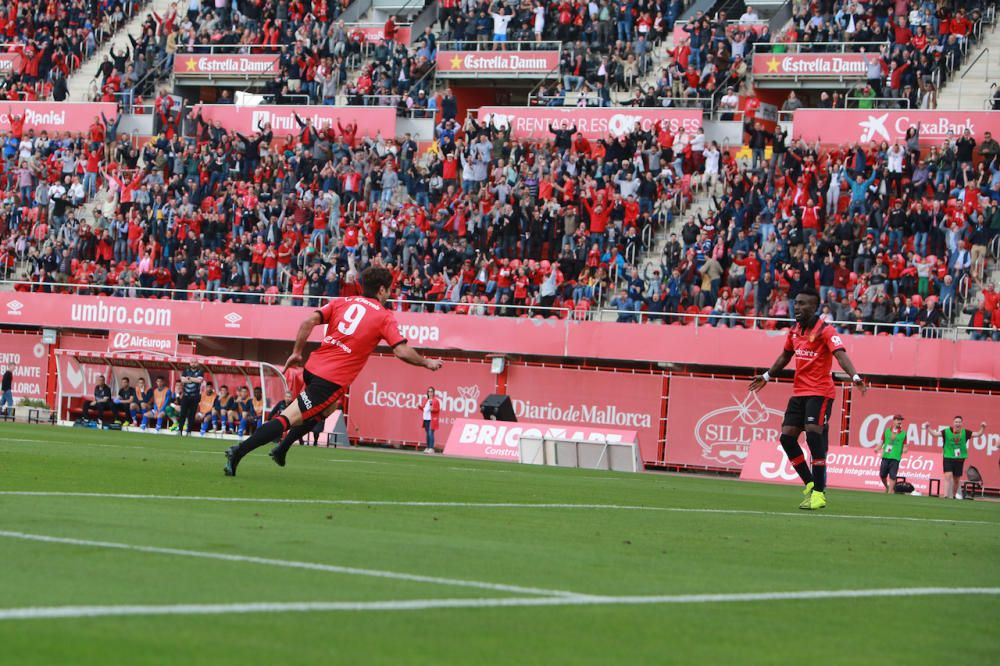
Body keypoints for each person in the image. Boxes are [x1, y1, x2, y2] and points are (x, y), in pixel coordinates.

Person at [224, 266, 443, 476]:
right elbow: (402, 351)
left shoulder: (343, 302)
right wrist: (426, 363)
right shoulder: (384, 316)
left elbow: (308, 320)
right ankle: (239, 452)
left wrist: (297, 352)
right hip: (328, 379)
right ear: (382, 289)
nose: (390, 294)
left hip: (314, 366)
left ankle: (282, 449)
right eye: (390, 289)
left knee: (325, 411)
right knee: (287, 418)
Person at [749, 286, 867, 510]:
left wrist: (855, 376)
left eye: (803, 304)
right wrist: (767, 375)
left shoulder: (826, 330)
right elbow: (785, 355)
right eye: (796, 303)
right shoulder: (794, 331)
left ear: (815, 307)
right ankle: (811, 483)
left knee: (814, 438)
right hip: (799, 392)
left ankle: (819, 494)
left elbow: (840, 354)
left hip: (820, 392)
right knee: (786, 438)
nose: (798, 307)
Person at [921, 417, 988, 499]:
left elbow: (978, 434)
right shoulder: (946, 431)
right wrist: (928, 428)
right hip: (948, 456)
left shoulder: (965, 432)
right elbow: (934, 435)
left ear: (961, 424)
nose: (958, 424)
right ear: (953, 423)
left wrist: (983, 427)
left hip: (959, 458)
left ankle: (953, 495)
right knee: (948, 476)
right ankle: (945, 496)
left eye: (959, 422)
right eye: (956, 422)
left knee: (956, 479)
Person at [877, 414, 907, 493]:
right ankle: (887, 487)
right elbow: (881, 442)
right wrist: (877, 448)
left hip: (895, 457)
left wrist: (905, 449)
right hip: (886, 456)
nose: (899, 421)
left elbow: (905, 445)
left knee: (893, 476)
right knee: (882, 475)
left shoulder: (903, 433)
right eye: (898, 420)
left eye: (901, 420)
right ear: (893, 421)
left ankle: (890, 492)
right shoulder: (887, 431)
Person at [176, 360, 204, 436]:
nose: (193, 364)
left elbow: (200, 380)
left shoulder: (200, 371)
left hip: (195, 396)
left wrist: (190, 379)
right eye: (192, 362)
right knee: (182, 414)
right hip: (185, 396)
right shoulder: (186, 370)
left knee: (192, 415)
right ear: (189, 363)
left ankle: (189, 431)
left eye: (195, 362)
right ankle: (180, 430)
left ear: (197, 363)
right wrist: (194, 380)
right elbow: (183, 380)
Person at [419, 387, 441, 454]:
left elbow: (437, 409)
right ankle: (428, 447)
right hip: (426, 419)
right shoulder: (426, 400)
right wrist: (419, 406)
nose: (430, 393)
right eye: (429, 391)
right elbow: (424, 409)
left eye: (431, 391)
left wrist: (433, 409)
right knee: (427, 434)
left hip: (432, 419)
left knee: (430, 433)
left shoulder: (436, 401)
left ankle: (431, 448)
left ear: (433, 393)